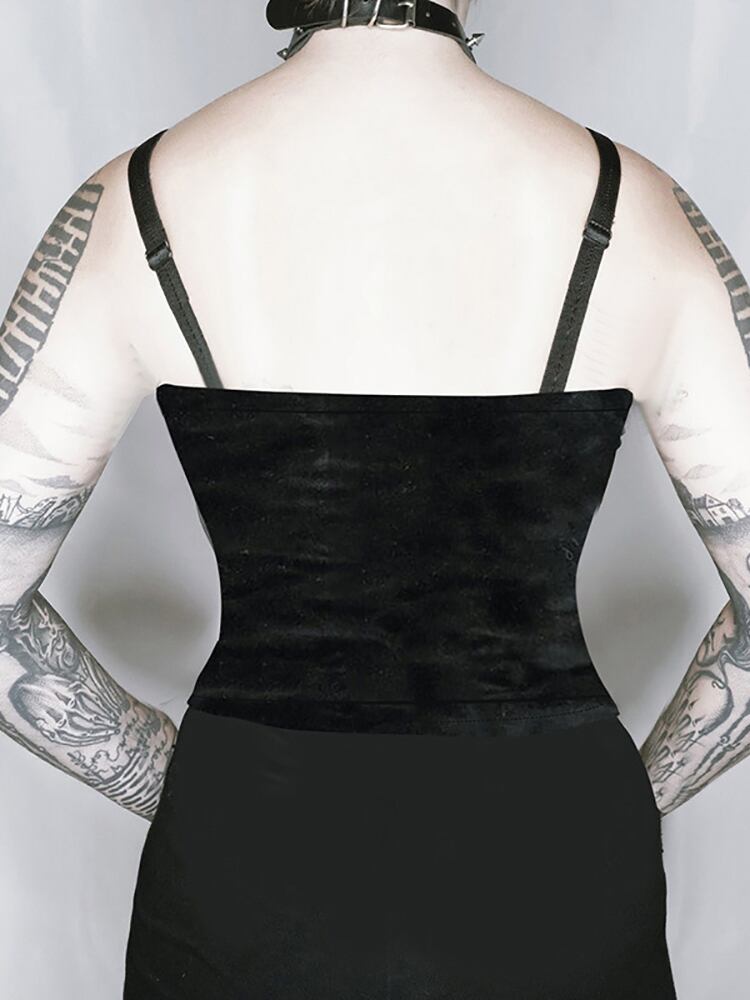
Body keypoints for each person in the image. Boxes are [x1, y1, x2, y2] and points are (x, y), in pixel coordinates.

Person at [0, 0, 745, 994]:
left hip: (245, 853)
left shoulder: (135, 203)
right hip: (558, 859)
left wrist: (165, 775)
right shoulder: (639, 206)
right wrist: (624, 793)